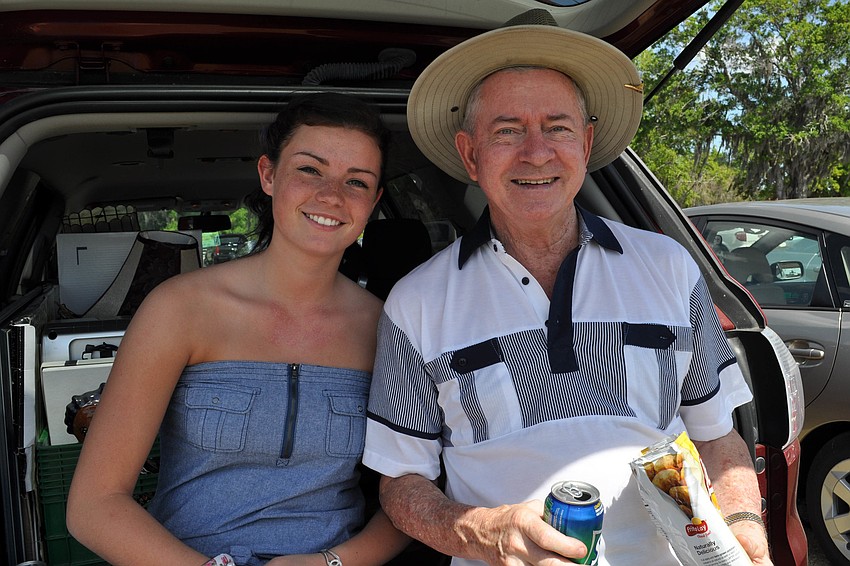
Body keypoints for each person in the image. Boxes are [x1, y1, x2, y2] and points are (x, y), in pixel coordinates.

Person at [362, 10, 772, 566]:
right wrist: (479, 530)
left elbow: (720, 440)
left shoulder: (669, 267)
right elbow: (400, 482)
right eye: (507, 131)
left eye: (556, 127)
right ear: (470, 154)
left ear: (585, 141)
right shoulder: (415, 302)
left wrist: (747, 533)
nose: (536, 152)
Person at [67, 92, 410, 566]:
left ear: (373, 202)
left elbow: (412, 497)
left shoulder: (390, 327)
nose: (332, 195)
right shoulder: (180, 308)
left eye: (356, 181)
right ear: (269, 175)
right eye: (310, 169)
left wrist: (332, 563)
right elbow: (94, 505)